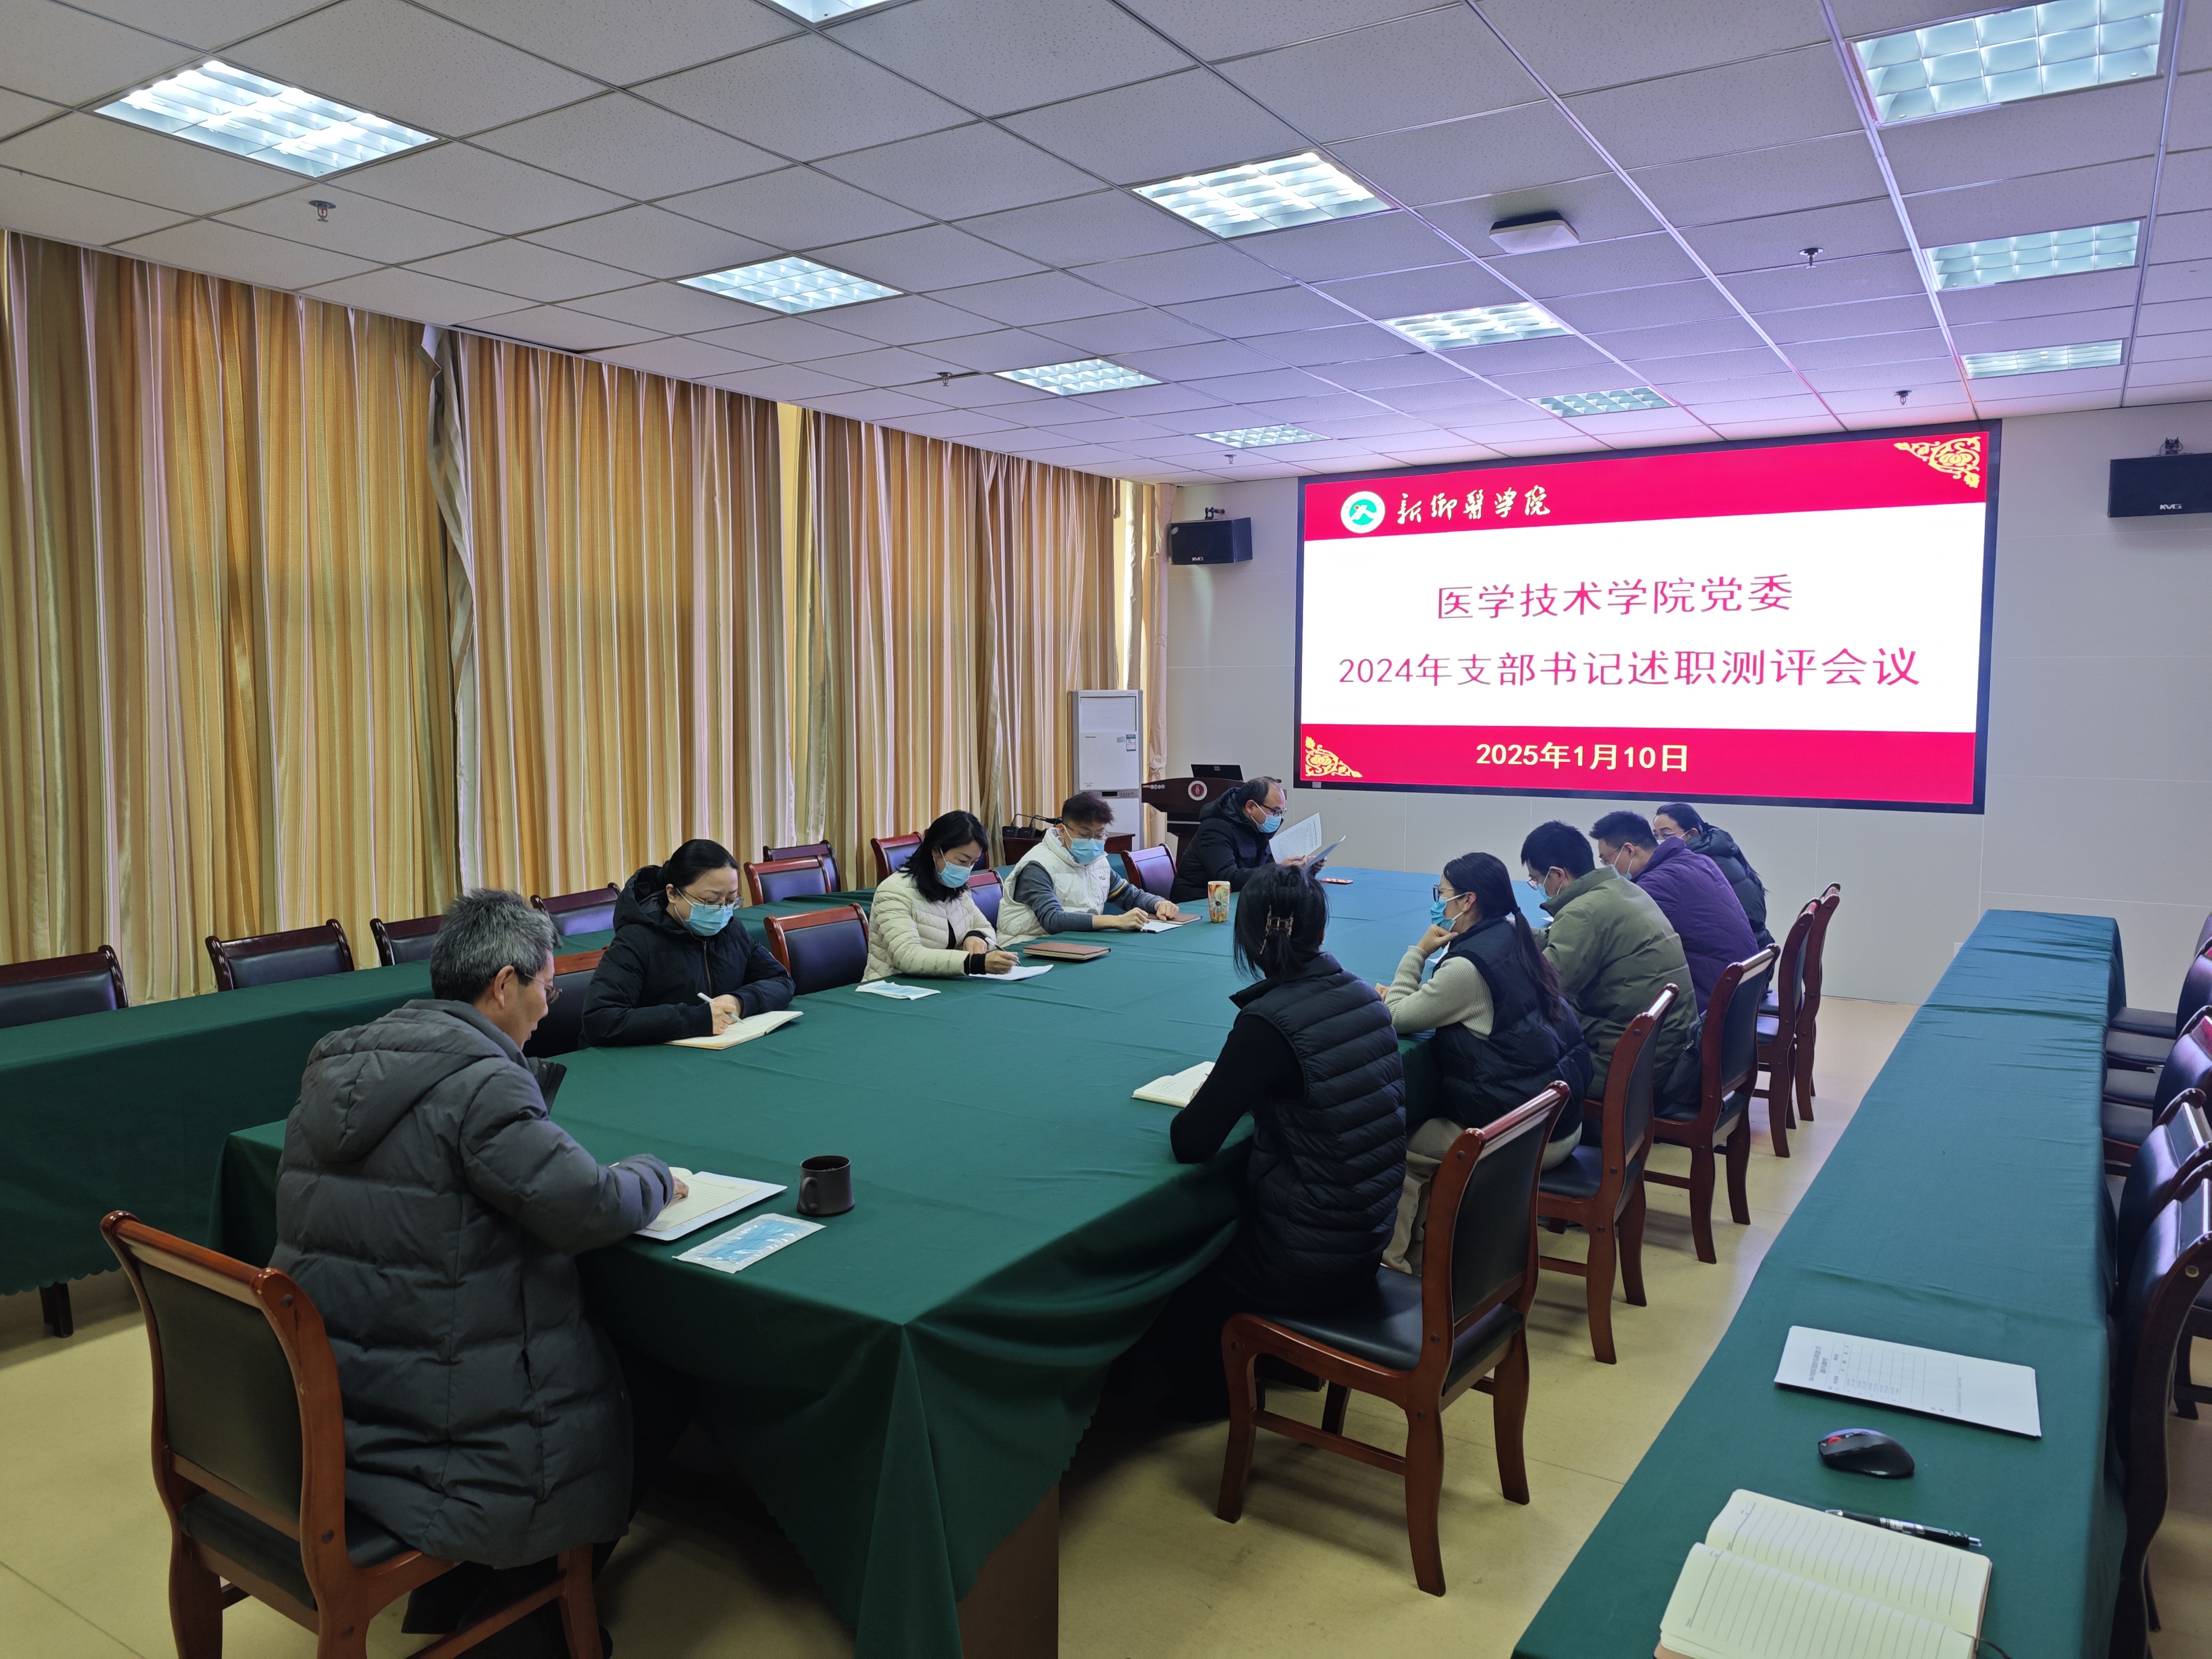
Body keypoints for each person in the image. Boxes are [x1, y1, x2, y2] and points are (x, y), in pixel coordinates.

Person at [272, 889, 692, 1650]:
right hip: (444, 1410)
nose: (548, 1007)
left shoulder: (340, 1059)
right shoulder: (482, 1081)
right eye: (546, 988)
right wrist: (657, 1175)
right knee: (649, 1376)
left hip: (339, 1390)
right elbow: (589, 1207)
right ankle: (528, 1618)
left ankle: (456, 1593)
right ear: (504, 985)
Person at [1150, 865, 1406, 1420]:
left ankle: (1216, 1401)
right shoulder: (1363, 993)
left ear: (1248, 938)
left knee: (1175, 1282)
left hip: (1310, 1255)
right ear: (1320, 930)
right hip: (1370, 1231)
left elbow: (1192, 1142)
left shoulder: (1268, 1021)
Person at [1377, 852, 1590, 1272]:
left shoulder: (1467, 969)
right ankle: (1424, 1251)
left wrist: (1417, 952)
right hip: (1560, 1118)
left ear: (1468, 900)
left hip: (1527, 1137)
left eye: (1443, 893)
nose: (1439, 901)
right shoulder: (1514, 936)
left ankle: (1392, 1266)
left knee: (1394, 1147)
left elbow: (1397, 1017)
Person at [1521, 820, 1701, 1109]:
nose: (1537, 887)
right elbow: (1565, 941)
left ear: (1557, 875)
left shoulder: (1583, 911)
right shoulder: (1621, 889)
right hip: (1665, 1050)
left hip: (1630, 1065)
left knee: (1511, 1065)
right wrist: (1516, 934)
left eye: (1536, 879)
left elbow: (1547, 989)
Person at [583, 838, 795, 1046]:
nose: (722, 910)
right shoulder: (637, 939)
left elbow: (781, 981)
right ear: (673, 894)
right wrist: (695, 1020)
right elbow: (601, 1019)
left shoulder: (731, 930)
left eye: (730, 900)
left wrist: (739, 1002)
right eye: (710, 901)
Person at [1592, 810, 1758, 1015]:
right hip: (1741, 989)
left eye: (1606, 860)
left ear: (1628, 850)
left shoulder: (1655, 885)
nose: (1608, 868)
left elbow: (1615, 942)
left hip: (1713, 1003)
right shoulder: (1697, 861)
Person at [996, 789, 1182, 945]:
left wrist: (1158, 904)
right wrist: (1115, 921)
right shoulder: (1037, 866)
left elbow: (1127, 895)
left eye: (1099, 835)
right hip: (1027, 947)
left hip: (1074, 943)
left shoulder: (1098, 861)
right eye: (1084, 835)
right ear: (1062, 831)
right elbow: (1052, 920)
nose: (1092, 842)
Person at [864, 810, 1017, 980]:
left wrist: (976, 936)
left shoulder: (956, 887)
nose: (967, 870)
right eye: (962, 861)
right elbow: (907, 957)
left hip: (944, 982)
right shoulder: (894, 891)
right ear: (936, 850)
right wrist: (973, 963)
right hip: (895, 986)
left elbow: (984, 927)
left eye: (973, 863)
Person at [1654, 801, 1770, 946]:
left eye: (1666, 835)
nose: (1659, 842)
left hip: (1744, 947)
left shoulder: (1699, 863)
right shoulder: (1715, 850)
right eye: (1655, 836)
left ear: (1693, 833)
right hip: (1756, 943)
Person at [1170, 775, 1297, 902]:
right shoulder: (1215, 828)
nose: (1277, 818)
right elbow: (1227, 878)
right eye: (1275, 811)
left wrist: (1291, 868)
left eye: (1281, 812)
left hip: (1235, 897)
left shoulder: (1259, 826)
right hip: (1198, 900)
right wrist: (1278, 870)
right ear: (1251, 807)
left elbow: (1265, 865)